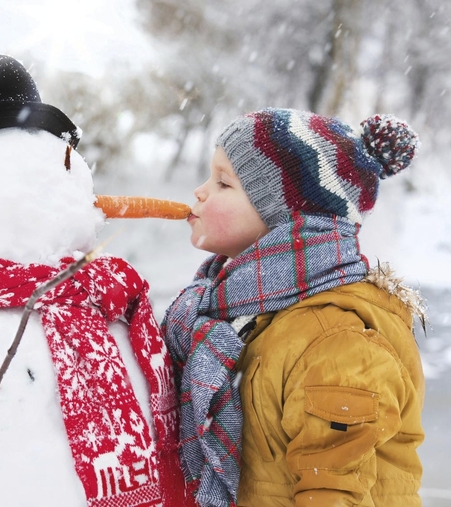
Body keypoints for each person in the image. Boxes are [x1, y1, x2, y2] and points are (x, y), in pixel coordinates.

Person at [162, 108, 426, 507]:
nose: (200, 192)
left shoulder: (334, 343)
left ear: (286, 222)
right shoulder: (238, 314)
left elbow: (334, 494)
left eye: (222, 183)